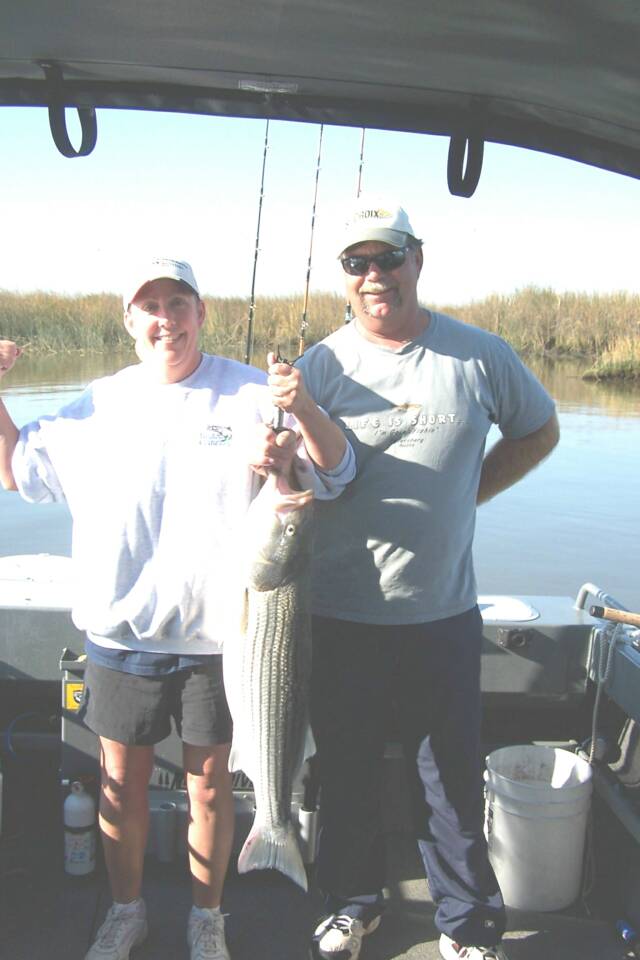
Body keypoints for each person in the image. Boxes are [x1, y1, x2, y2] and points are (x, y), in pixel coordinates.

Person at [0, 255, 354, 960]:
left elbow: (337, 475)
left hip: (220, 641)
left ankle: (207, 917)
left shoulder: (253, 394)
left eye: (180, 303)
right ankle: (126, 912)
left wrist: (294, 436)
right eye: (150, 306)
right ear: (130, 320)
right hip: (120, 632)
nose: (167, 320)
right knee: (118, 784)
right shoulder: (96, 403)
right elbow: (16, 472)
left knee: (211, 789)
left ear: (202, 313)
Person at [266, 199, 560, 960]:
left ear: (417, 260)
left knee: (451, 783)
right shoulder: (319, 368)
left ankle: (465, 923)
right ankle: (351, 905)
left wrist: (471, 493)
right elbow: (293, 479)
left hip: (441, 613)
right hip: (336, 616)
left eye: (387, 258)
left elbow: (541, 429)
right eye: (357, 264)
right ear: (345, 278)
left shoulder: (479, 355)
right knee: (346, 774)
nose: (374, 277)